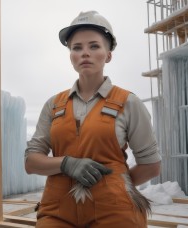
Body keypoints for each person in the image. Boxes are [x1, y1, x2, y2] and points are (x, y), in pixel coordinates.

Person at [24, 11, 162, 227]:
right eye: (76, 48)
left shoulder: (129, 103)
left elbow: (151, 166)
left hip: (115, 211)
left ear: (108, 55)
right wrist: (67, 164)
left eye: (94, 46)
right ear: (70, 56)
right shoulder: (53, 105)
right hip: (57, 211)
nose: (84, 53)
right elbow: (32, 162)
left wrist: (113, 186)